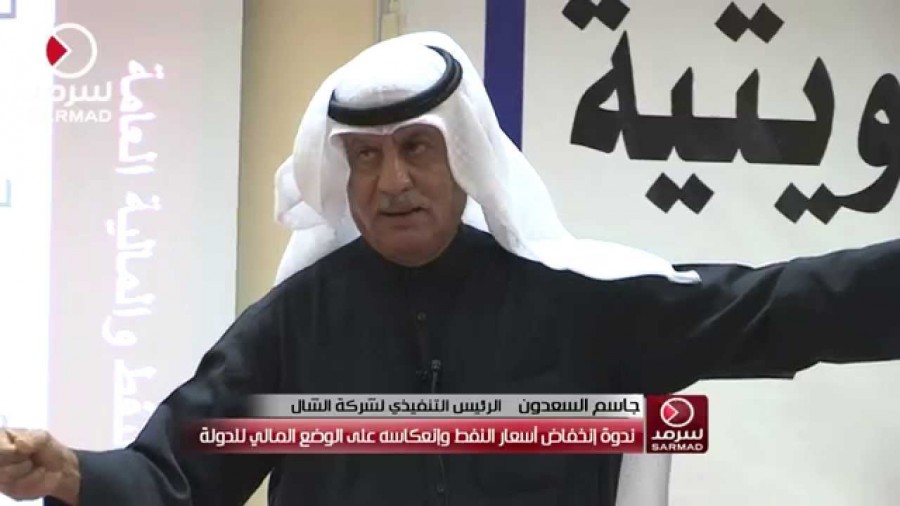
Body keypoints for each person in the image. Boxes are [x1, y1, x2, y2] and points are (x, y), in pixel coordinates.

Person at [1, 31, 898, 506]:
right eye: (364, 156)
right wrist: (68, 473)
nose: (391, 182)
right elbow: (177, 475)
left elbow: (779, 308)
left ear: (464, 154)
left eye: (417, 148)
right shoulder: (294, 328)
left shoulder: (579, 304)